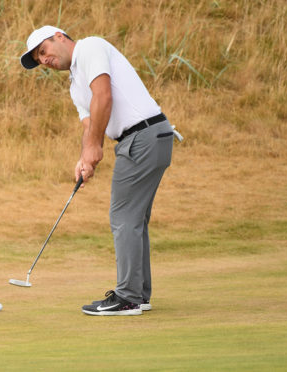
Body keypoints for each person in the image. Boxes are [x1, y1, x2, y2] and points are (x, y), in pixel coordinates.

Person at [20, 25, 175, 316]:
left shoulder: (90, 47)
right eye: (39, 60)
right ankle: (138, 295)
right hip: (148, 137)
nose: (44, 61)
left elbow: (103, 97)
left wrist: (95, 147)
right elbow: (90, 124)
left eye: (43, 51)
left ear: (60, 37)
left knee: (123, 217)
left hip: (143, 136)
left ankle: (128, 297)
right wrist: (85, 158)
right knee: (134, 219)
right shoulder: (75, 83)